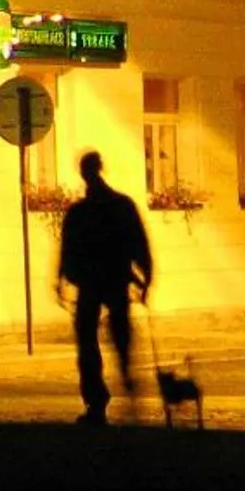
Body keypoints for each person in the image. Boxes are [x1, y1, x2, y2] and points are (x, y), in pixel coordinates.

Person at [57, 149, 153, 425]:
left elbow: (68, 250)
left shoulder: (80, 212)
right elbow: (139, 243)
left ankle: (97, 401)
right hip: (115, 279)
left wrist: (62, 278)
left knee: (88, 341)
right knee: (118, 336)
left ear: (84, 173)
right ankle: (126, 380)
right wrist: (146, 277)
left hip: (91, 282)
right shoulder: (121, 205)